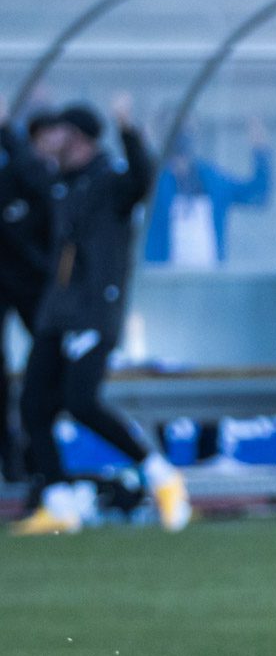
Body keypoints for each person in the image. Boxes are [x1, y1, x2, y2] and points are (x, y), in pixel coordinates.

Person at [10, 96, 191, 536]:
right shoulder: (60, 184)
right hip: (57, 312)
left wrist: (127, 129)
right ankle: (59, 501)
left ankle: (161, 473)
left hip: (94, 310)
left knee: (80, 400)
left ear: (77, 137)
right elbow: (29, 180)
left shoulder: (109, 180)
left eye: (55, 131)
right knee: (34, 403)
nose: (46, 140)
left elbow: (142, 179)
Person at [0, 108, 61, 482]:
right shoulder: (17, 176)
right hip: (20, 286)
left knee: (48, 375)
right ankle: (14, 457)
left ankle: (35, 455)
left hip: (41, 291)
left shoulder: (58, 181)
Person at [143, 118, 272, 267]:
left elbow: (256, 193)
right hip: (163, 280)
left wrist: (260, 151)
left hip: (207, 280)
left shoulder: (211, 180)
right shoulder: (157, 181)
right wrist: (139, 148)